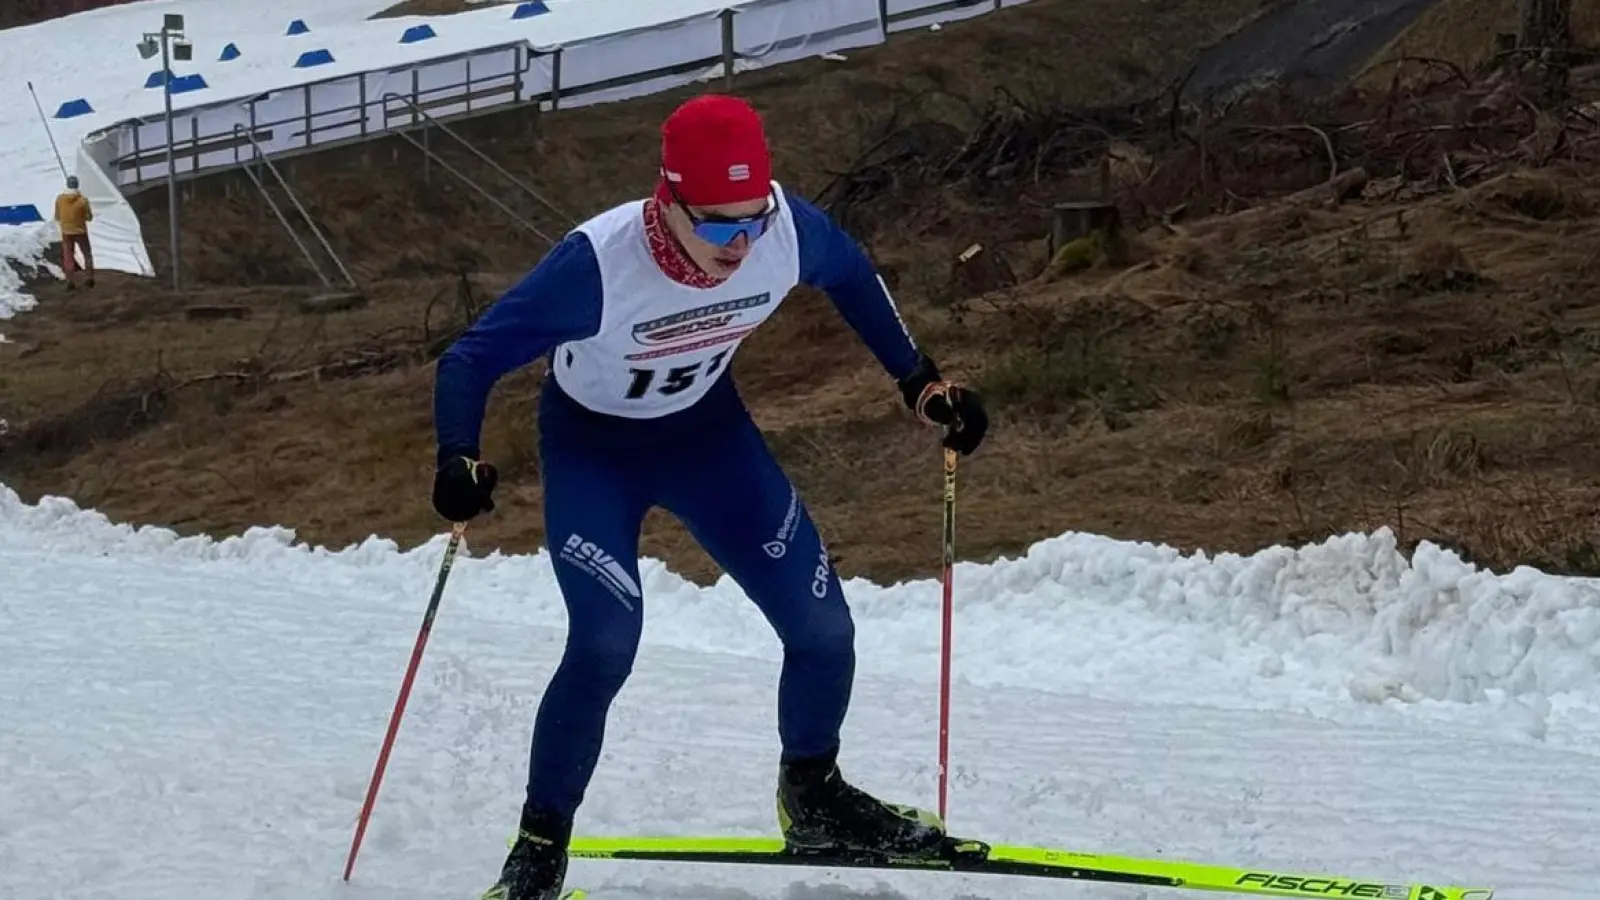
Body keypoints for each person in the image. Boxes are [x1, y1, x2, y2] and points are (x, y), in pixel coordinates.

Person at [430, 93, 989, 900]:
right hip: (596, 452)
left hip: (708, 439)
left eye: (753, 219)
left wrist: (919, 382)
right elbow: (469, 358)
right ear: (668, 201)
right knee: (604, 644)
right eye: (721, 225)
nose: (742, 244)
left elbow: (856, 274)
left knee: (825, 630)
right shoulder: (596, 266)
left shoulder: (783, 231)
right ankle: (539, 845)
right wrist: (457, 458)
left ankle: (814, 796)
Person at [54, 175, 94, 289]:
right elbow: (89, 217)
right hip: (80, 231)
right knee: (87, 254)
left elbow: (57, 217)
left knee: (68, 257)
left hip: (66, 232)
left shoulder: (60, 199)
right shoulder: (83, 200)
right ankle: (89, 278)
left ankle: (70, 281)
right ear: (77, 185)